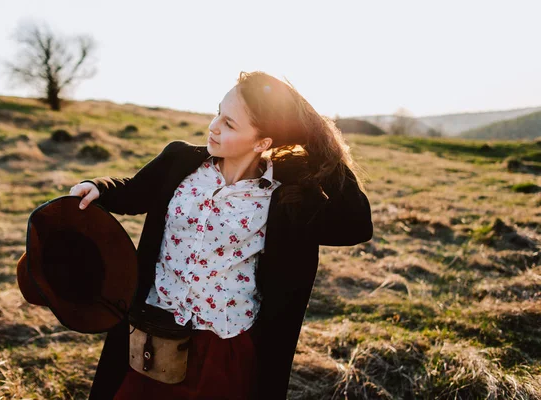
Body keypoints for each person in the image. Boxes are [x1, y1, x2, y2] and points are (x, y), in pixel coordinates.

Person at [69, 71, 373, 400]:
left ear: (262, 142)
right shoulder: (180, 162)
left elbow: (356, 224)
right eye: (218, 112)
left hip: (223, 346)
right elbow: (131, 192)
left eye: (229, 123)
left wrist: (320, 140)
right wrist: (98, 189)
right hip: (153, 331)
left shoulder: (285, 194)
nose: (214, 126)